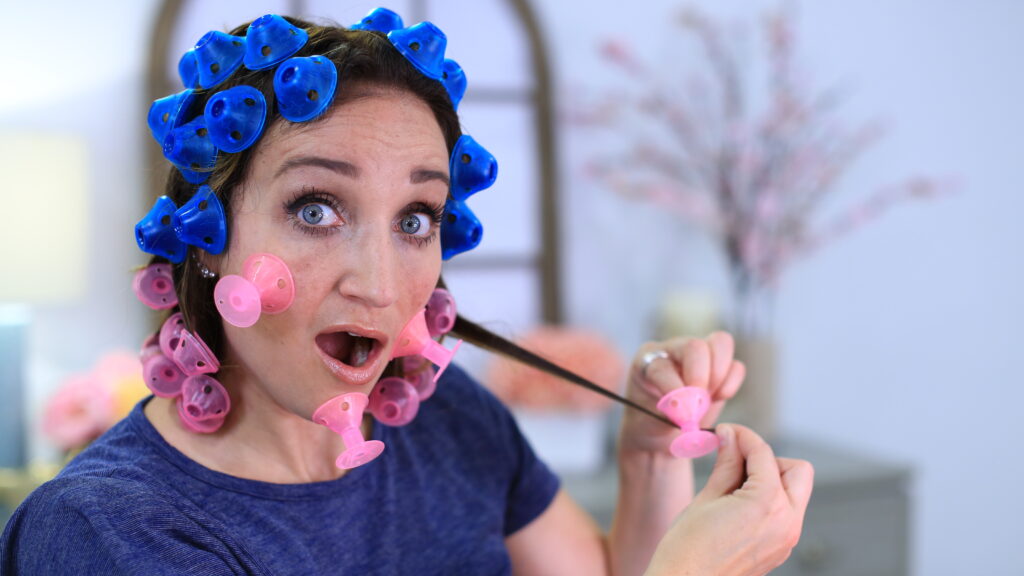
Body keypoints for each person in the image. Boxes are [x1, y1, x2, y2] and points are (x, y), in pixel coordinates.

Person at [0, 9, 813, 575]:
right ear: (208, 233)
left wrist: (647, 461)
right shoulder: (106, 533)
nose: (382, 283)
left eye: (416, 217)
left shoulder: (449, 419)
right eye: (315, 209)